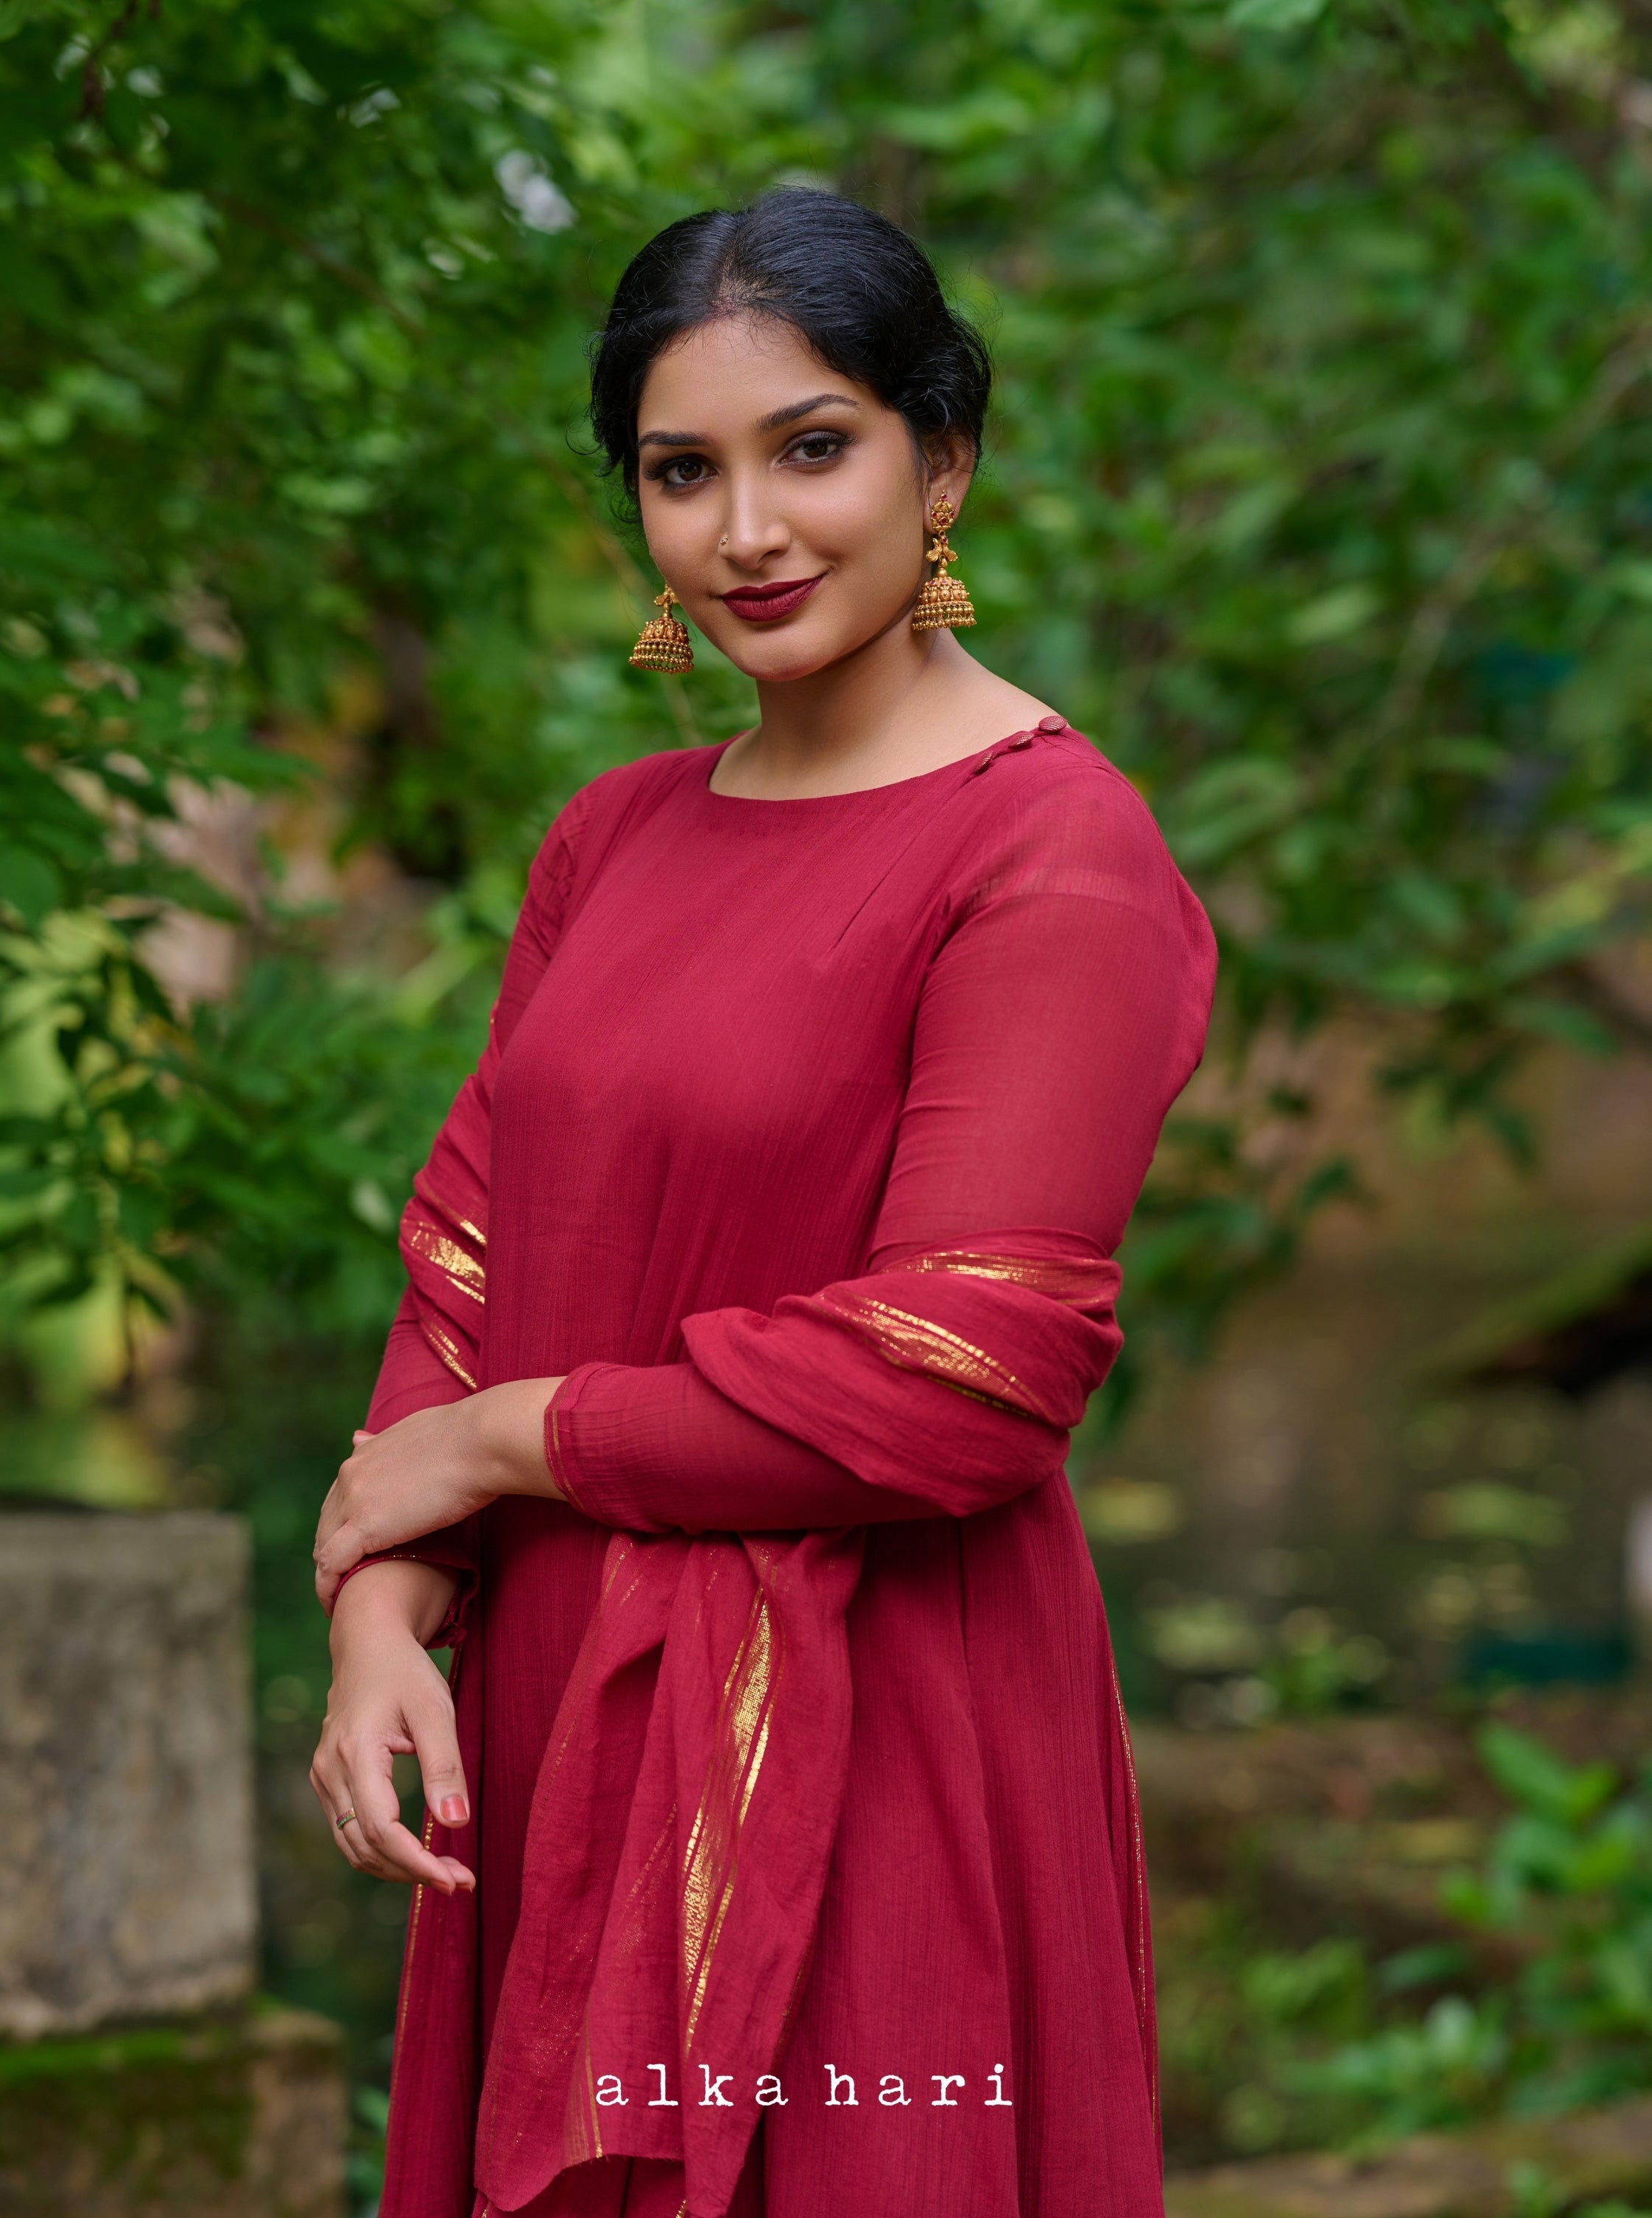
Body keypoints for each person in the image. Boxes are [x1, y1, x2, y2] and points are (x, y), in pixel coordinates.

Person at [310, 186, 1215, 2218]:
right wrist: (388, 1616)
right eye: (681, 471)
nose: (747, 533)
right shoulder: (609, 838)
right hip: (556, 1705)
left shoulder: (1050, 855)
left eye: (813, 447)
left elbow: (967, 1371)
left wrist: (499, 1442)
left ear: (942, 458)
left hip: (872, 1726)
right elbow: (472, 1250)